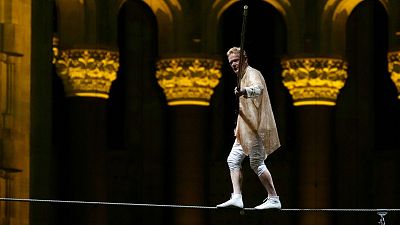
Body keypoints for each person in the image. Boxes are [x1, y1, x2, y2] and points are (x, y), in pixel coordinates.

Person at [216, 47, 281, 210]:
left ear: (244, 59)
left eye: (236, 61)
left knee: (256, 162)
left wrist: (245, 91)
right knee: (233, 160)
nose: (233, 65)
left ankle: (273, 198)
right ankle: (237, 197)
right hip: (247, 129)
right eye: (230, 62)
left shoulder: (252, 73)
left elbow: (258, 89)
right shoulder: (242, 78)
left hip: (256, 128)